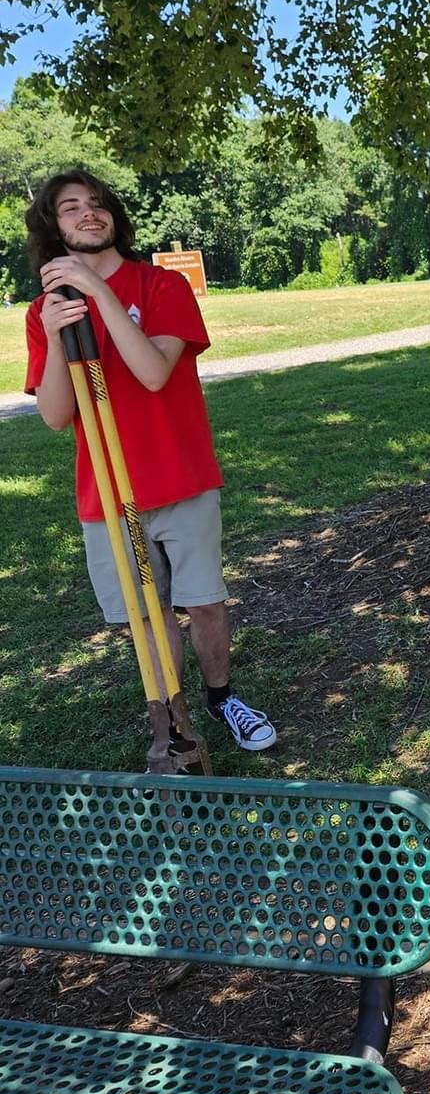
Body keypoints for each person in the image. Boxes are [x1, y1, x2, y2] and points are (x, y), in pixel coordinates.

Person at [23, 170, 277, 751]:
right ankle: (175, 719)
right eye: (70, 208)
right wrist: (60, 332)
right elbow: (58, 416)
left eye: (97, 204)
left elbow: (154, 373)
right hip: (108, 492)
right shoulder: (44, 312)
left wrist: (100, 293)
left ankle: (223, 697)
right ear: (52, 225)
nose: (88, 214)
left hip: (180, 476)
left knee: (204, 602)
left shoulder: (162, 288)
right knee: (147, 612)